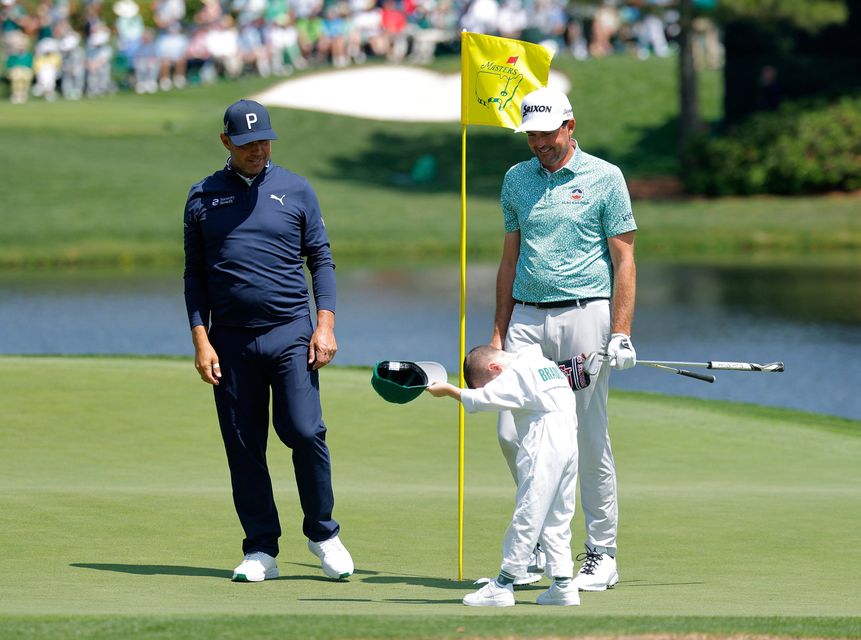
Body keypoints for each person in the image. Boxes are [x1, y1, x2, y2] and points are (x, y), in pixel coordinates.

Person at [183, 99, 353, 583]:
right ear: (226, 143)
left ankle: (323, 533)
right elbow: (194, 276)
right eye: (247, 143)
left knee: (303, 431)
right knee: (244, 446)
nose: (257, 150)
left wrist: (325, 324)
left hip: (289, 334)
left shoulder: (296, 189)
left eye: (264, 141)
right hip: (230, 341)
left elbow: (320, 259)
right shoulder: (202, 196)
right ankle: (261, 550)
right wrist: (201, 339)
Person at [491, 86, 637, 592]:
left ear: (569, 126)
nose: (538, 142)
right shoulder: (516, 179)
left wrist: (620, 332)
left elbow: (624, 261)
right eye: (531, 133)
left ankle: (601, 550)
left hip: (585, 317)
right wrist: (497, 332)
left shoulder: (605, 177)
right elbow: (509, 261)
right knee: (513, 432)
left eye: (547, 132)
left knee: (583, 434)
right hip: (526, 321)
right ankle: (536, 543)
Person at [426, 344, 580, 607]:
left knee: (529, 511)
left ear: (495, 368)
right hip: (568, 442)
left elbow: (484, 400)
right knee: (557, 515)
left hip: (543, 440)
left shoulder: (517, 371)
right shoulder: (545, 365)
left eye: (487, 382)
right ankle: (563, 584)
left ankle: (504, 583)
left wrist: (450, 391)